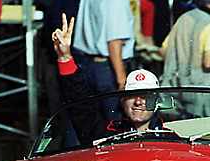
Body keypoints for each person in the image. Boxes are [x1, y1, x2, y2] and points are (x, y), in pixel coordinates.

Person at [53, 14, 162, 144]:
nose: (138, 102)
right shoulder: (105, 137)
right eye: (132, 95)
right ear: (122, 100)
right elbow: (80, 106)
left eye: (145, 96)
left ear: (156, 102)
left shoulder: (172, 141)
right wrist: (65, 58)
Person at [73, 0, 135, 118]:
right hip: (108, 70)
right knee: (112, 124)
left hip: (87, 66)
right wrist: (122, 80)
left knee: (91, 122)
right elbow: (114, 41)